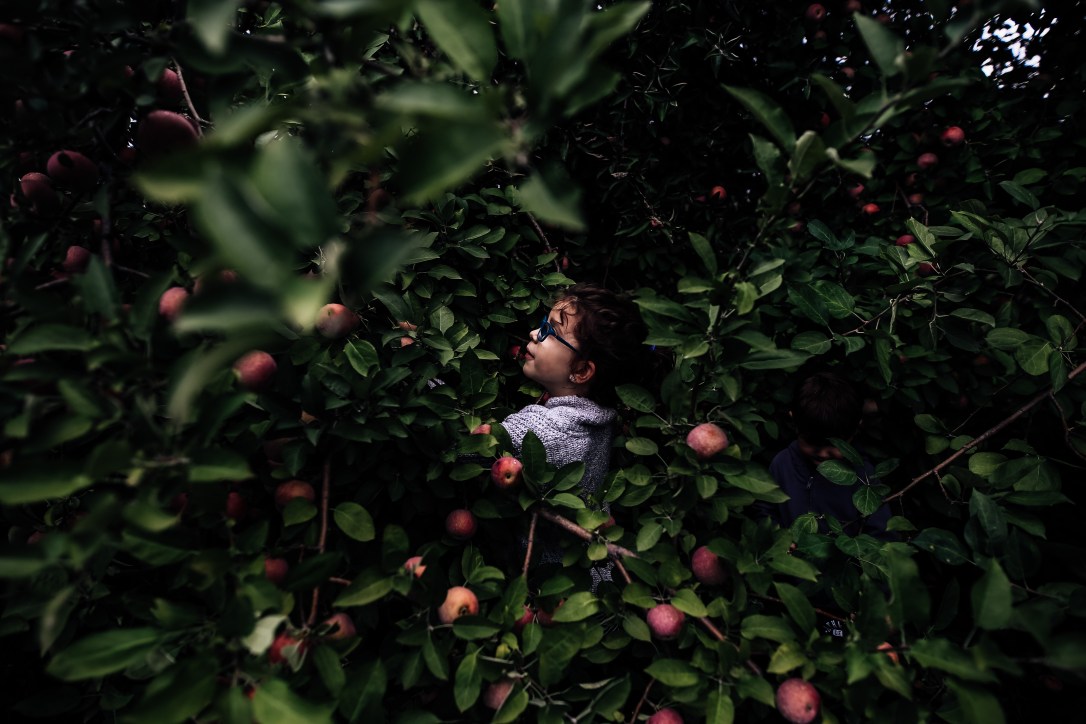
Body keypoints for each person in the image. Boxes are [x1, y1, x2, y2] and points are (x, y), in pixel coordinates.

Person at [493, 282, 650, 586]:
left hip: (557, 592)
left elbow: (470, 440)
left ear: (580, 372)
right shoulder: (599, 418)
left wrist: (422, 365)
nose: (534, 334)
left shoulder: (552, 433)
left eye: (550, 331)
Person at [762, 371, 892, 539]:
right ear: (793, 421)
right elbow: (765, 510)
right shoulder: (782, 465)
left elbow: (883, 533)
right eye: (813, 442)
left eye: (835, 445)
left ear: (856, 430)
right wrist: (777, 537)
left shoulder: (864, 477)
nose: (823, 453)